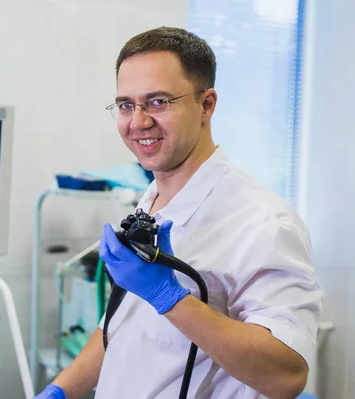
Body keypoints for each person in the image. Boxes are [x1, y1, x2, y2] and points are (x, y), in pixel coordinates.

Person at [34, 26, 322, 399]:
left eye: (158, 102)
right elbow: (119, 329)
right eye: (126, 105)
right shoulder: (149, 202)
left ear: (206, 105)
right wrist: (59, 391)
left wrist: (170, 297)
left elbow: (286, 376)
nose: (138, 121)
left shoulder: (263, 222)